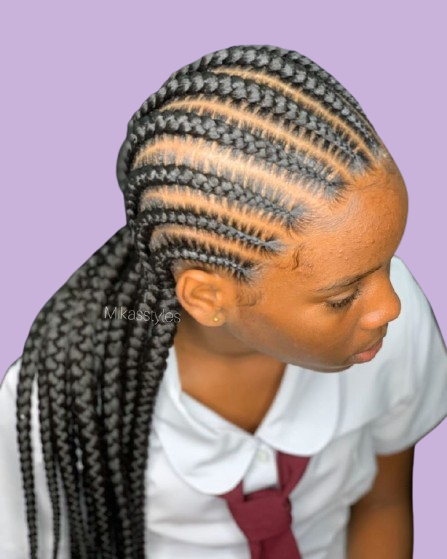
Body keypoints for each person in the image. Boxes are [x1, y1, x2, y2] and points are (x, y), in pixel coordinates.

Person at [1, 44, 446, 559]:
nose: (389, 306)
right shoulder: (59, 390)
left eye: (388, 260)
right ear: (207, 297)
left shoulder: (384, 331)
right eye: (342, 297)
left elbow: (383, 500)